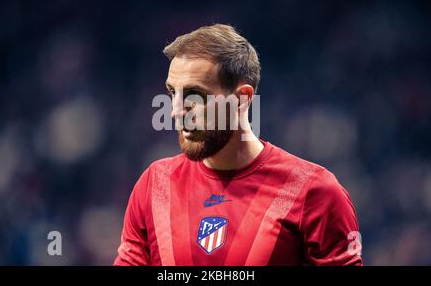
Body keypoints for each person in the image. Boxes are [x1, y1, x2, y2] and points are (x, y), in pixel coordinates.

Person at [114, 24, 362, 265]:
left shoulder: (314, 192)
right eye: (172, 93)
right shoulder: (154, 185)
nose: (176, 112)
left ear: (242, 98)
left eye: (194, 95)